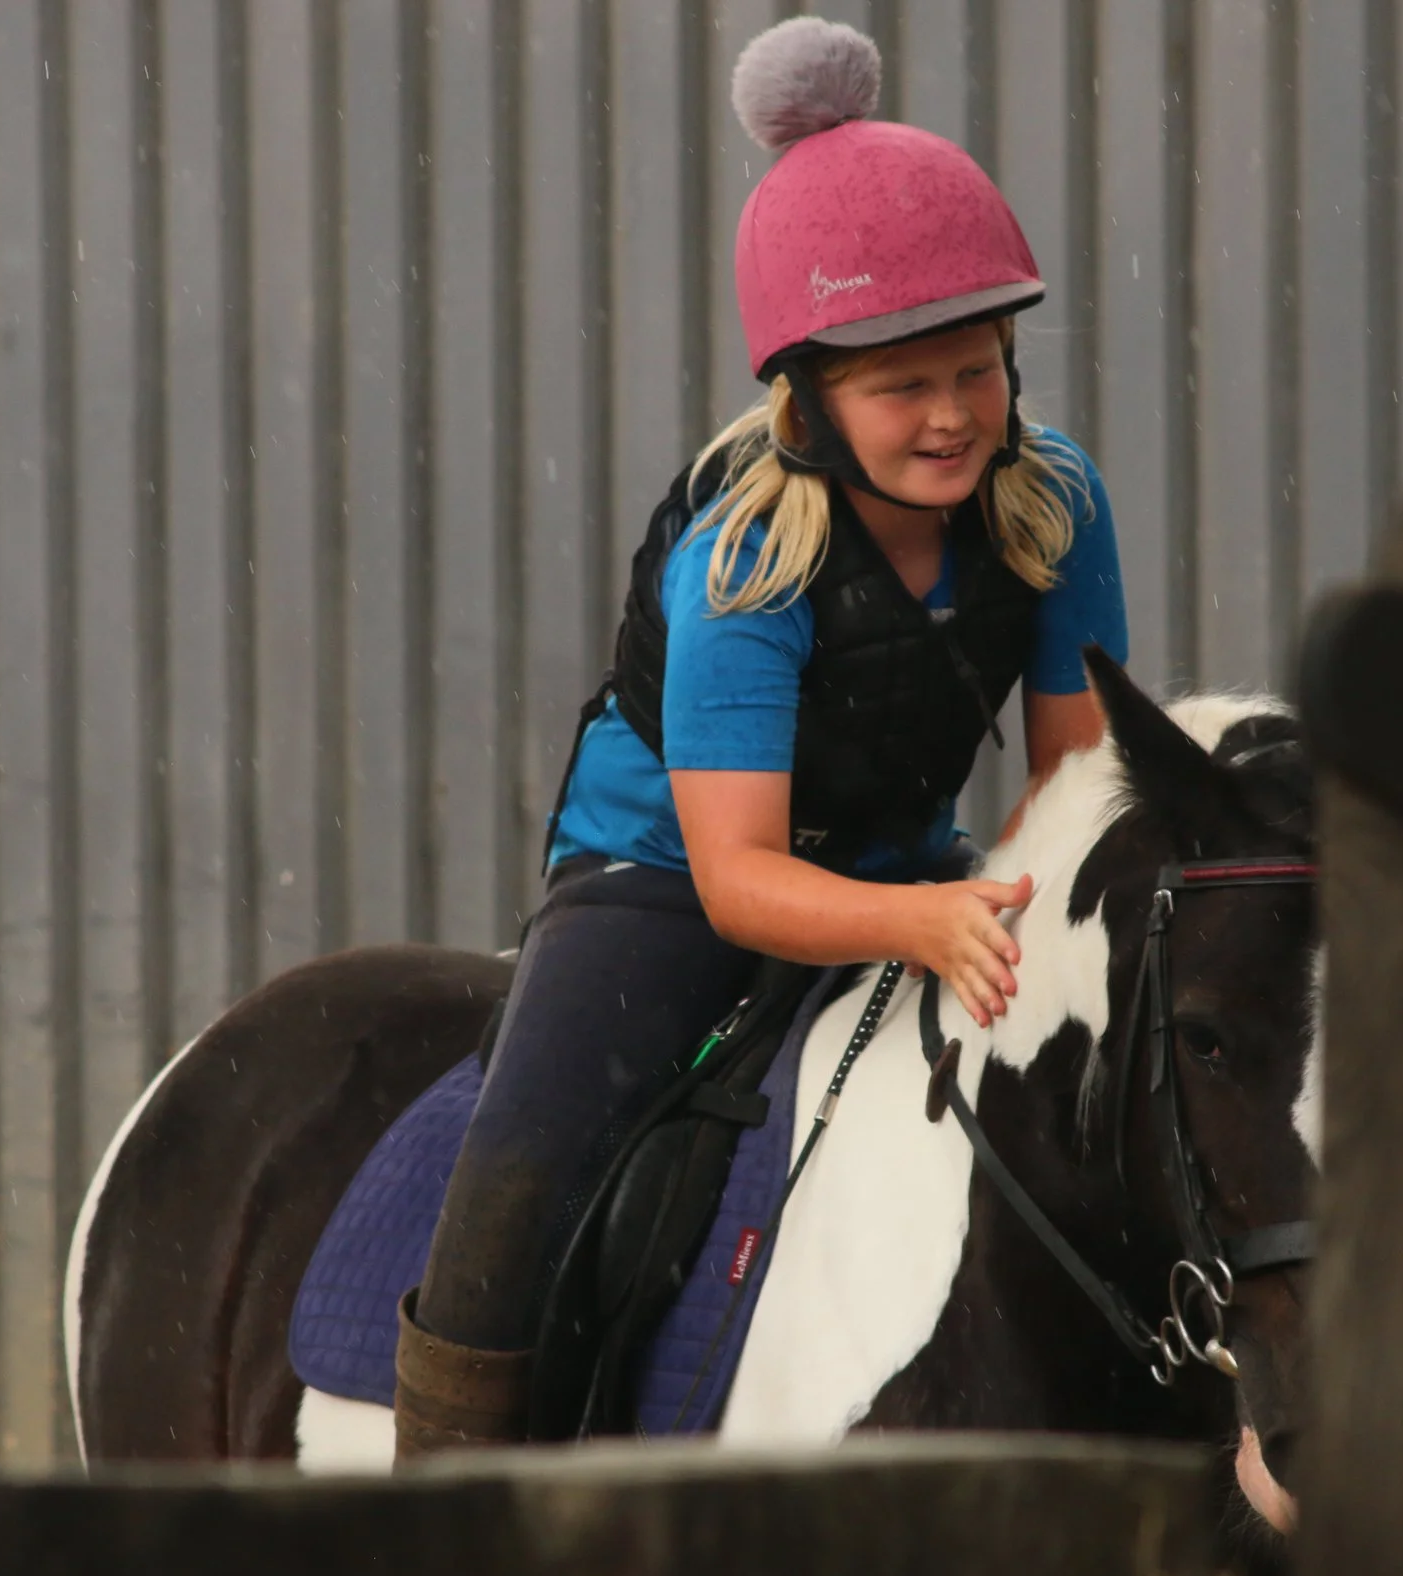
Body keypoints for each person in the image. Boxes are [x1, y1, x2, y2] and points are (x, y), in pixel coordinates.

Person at [392, 15, 1130, 1459]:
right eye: (899, 385)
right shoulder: (746, 563)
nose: (950, 417)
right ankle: (439, 1525)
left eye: (974, 370)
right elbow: (741, 882)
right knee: (518, 1187)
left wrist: (1021, 918)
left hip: (910, 866)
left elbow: (1072, 781)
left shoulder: (1055, 505)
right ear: (804, 400)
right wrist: (926, 920)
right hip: (666, 877)